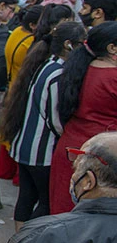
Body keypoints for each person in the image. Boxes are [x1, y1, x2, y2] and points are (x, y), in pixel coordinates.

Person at [3, 22, 85, 227]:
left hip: (25, 145)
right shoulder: (58, 73)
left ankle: (19, 241)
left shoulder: (45, 64)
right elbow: (55, 119)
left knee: (26, 197)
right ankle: (28, 241)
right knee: (46, 202)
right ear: (69, 45)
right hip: (42, 150)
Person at [49, 21, 117, 214]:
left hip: (72, 149)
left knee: (64, 217)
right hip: (102, 157)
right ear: (112, 47)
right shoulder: (112, 76)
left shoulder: (80, 68)